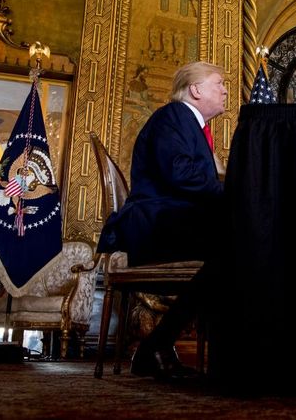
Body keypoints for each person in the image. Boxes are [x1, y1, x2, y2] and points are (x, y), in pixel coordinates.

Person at [97, 61, 228, 381]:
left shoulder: (188, 124)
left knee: (237, 247)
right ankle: (159, 347)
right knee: (242, 243)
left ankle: (159, 346)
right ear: (196, 90)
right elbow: (181, 174)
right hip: (154, 226)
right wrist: (234, 189)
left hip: (169, 222)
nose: (225, 90)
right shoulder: (175, 116)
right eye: (219, 84)